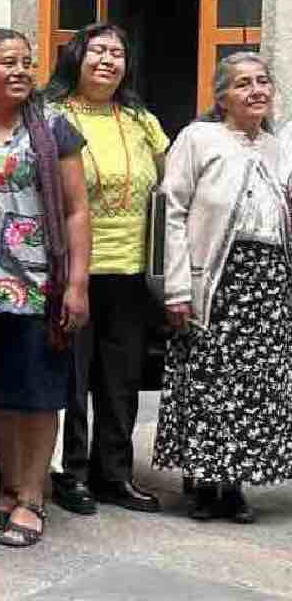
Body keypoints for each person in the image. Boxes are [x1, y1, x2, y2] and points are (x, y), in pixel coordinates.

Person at [0, 28, 91, 548]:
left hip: (40, 283)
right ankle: (8, 488)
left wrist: (76, 282)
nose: (19, 71)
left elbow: (78, 210)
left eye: (26, 62)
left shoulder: (55, 127)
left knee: (38, 393)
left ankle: (33, 497)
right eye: (7, 62)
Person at [154, 52, 292, 523]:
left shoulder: (277, 148)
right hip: (215, 278)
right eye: (243, 84)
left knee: (251, 386)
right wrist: (176, 287)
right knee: (208, 381)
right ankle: (204, 480)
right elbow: (171, 211)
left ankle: (232, 483)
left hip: (269, 280)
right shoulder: (198, 138)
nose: (256, 91)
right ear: (221, 97)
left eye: (262, 82)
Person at [43, 23, 168, 515]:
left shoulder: (141, 120)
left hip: (132, 267)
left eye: (117, 53)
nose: (107, 61)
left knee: (121, 377)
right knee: (72, 375)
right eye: (97, 51)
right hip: (77, 267)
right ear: (76, 57)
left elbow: (171, 181)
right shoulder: (52, 115)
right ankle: (70, 473)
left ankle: (114, 473)